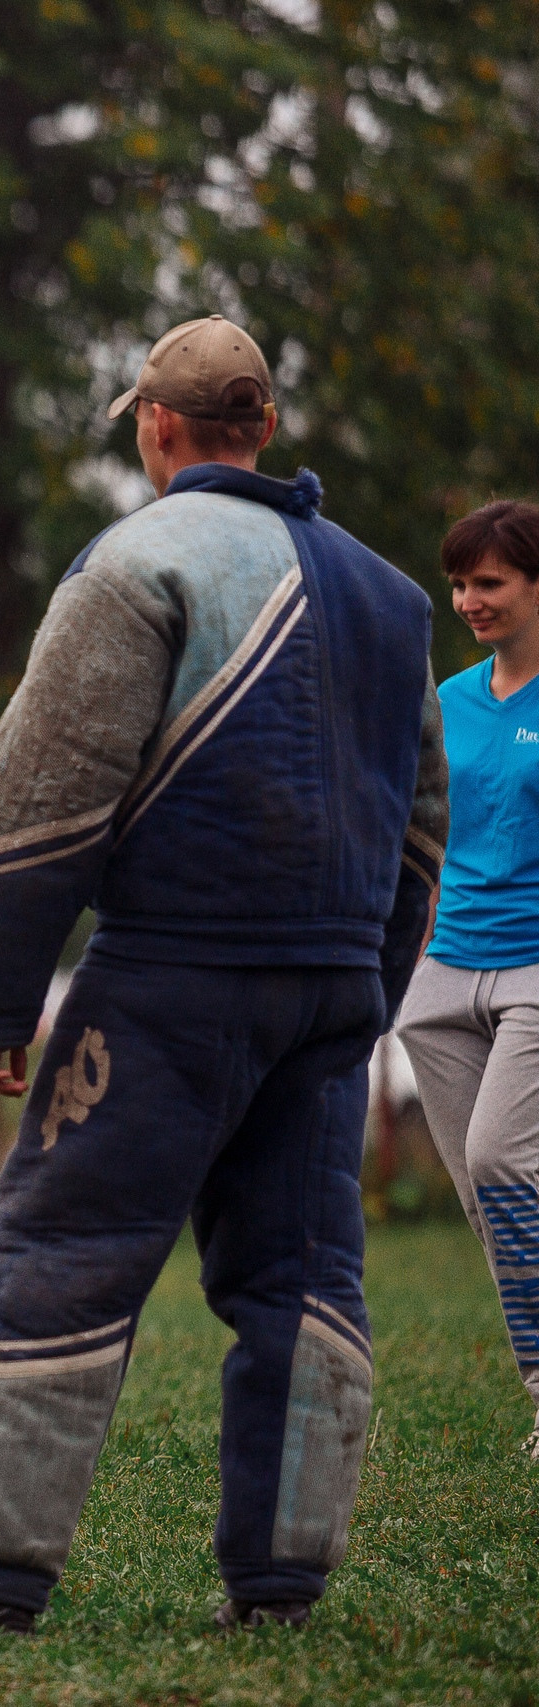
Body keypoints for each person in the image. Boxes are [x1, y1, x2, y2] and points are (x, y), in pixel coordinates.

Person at [0, 316, 448, 1636]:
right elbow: (422, 829)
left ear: (156, 429)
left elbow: (41, 794)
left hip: (173, 975)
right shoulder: (395, 599)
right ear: (267, 426)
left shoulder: (140, 560)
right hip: (333, 988)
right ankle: (280, 1583)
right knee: (301, 1275)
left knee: (59, 1251)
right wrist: (366, 992)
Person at [395, 499, 539, 1458]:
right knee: (489, 1199)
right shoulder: (446, 702)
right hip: (442, 977)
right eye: (459, 583)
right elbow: (411, 823)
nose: (467, 600)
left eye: (487, 582)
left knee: (501, 1160)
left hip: (535, 968)